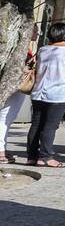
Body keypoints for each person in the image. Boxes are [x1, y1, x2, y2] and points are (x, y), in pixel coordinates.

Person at [26, 22, 65, 167]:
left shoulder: (42, 50)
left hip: (39, 92)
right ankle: (46, 157)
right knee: (50, 126)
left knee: (36, 125)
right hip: (58, 94)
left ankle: (32, 156)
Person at [1, 28, 37, 164]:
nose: (37, 34)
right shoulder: (21, 49)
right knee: (5, 117)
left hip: (14, 87)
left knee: (7, 118)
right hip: (15, 87)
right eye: (36, 31)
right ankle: (0, 151)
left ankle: (2, 148)